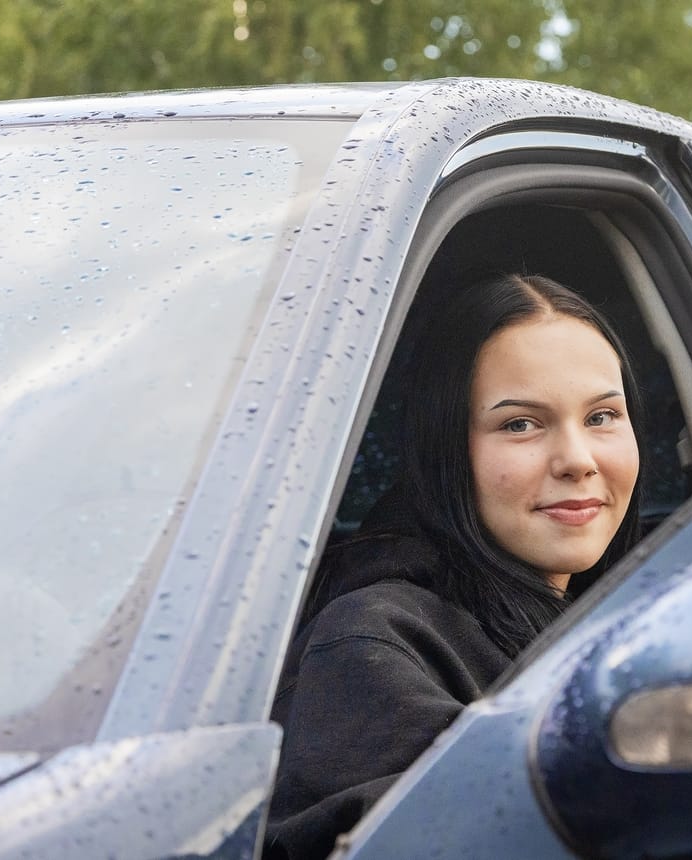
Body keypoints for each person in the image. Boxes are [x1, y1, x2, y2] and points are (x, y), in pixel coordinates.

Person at [264, 273, 645, 858]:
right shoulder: (370, 646)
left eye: (601, 417)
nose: (577, 459)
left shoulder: (635, 608)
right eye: (521, 424)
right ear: (446, 446)